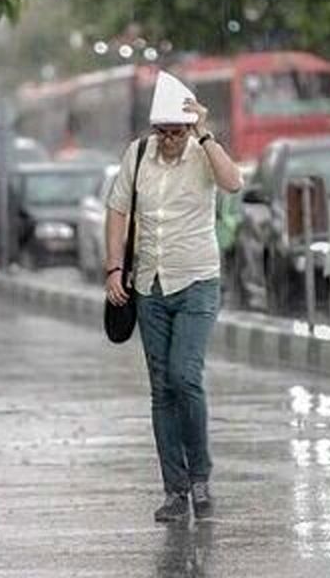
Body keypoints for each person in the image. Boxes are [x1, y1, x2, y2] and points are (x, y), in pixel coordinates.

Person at [104, 79, 244, 524]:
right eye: (162, 131)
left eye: (176, 132)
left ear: (188, 128)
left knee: (186, 376)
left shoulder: (203, 152)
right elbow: (117, 210)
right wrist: (112, 269)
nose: (168, 140)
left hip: (197, 280)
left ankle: (201, 477)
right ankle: (174, 490)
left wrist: (204, 133)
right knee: (162, 389)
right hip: (149, 285)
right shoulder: (139, 154)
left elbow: (234, 183)